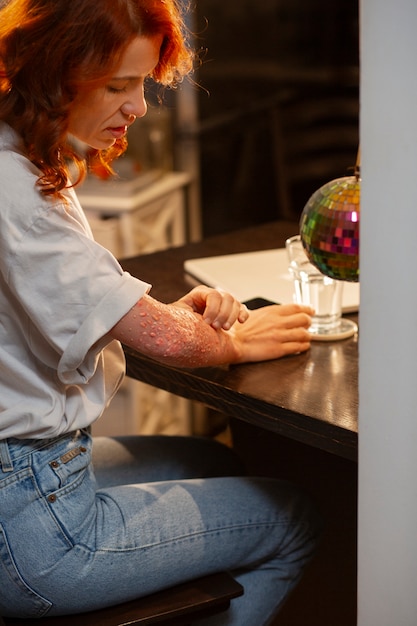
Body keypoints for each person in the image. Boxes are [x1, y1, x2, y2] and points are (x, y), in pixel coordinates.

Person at [0, 0, 321, 623]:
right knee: (293, 517)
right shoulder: (16, 193)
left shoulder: (16, 154)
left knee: (214, 461)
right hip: (32, 530)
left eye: (141, 83)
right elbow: (171, 344)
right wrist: (230, 341)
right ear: (49, 75)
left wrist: (158, 313)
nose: (138, 106)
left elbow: (72, 304)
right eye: (117, 85)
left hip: (27, 475)